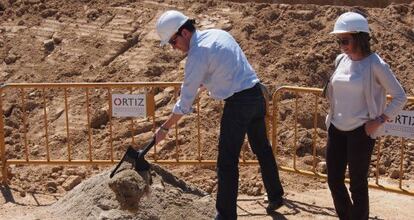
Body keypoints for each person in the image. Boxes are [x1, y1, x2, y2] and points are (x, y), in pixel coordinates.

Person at [154, 10, 284, 220]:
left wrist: (165, 128)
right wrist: (205, 83)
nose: (173, 47)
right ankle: (276, 195)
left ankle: (225, 215)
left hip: (239, 104)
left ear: (185, 32)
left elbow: (184, 103)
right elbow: (227, 68)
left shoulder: (197, 55)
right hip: (256, 95)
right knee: (262, 147)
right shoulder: (218, 34)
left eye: (173, 41)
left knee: (227, 161)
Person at [325, 11, 407, 220]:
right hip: (336, 128)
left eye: (345, 40)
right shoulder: (340, 60)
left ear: (360, 38)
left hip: (360, 132)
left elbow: (400, 96)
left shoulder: (375, 64)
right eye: (339, 40)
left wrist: (379, 120)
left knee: (357, 184)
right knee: (334, 180)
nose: (341, 45)